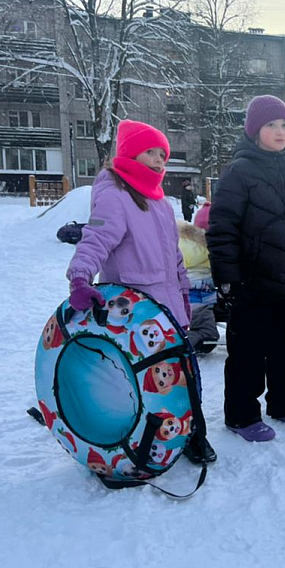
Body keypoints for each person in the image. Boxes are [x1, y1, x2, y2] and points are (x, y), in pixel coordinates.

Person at [65, 119, 216, 464]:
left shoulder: (160, 203)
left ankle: (193, 434)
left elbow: (175, 257)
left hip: (169, 309)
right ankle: (141, 441)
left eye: (163, 153)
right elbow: (95, 240)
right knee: (145, 382)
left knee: (184, 376)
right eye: (151, 152)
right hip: (134, 313)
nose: (160, 160)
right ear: (130, 153)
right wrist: (80, 278)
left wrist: (183, 296)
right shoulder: (115, 196)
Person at [207, 95, 285, 442]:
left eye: (284, 126)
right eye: (271, 125)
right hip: (250, 279)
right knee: (246, 350)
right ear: (254, 130)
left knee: (284, 347)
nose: (279, 132)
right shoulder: (239, 171)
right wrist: (228, 278)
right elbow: (222, 227)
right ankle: (241, 415)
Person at [177, 217, 220, 355]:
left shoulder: (178, 242)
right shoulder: (209, 248)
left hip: (179, 292)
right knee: (208, 334)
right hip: (201, 296)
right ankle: (179, 344)